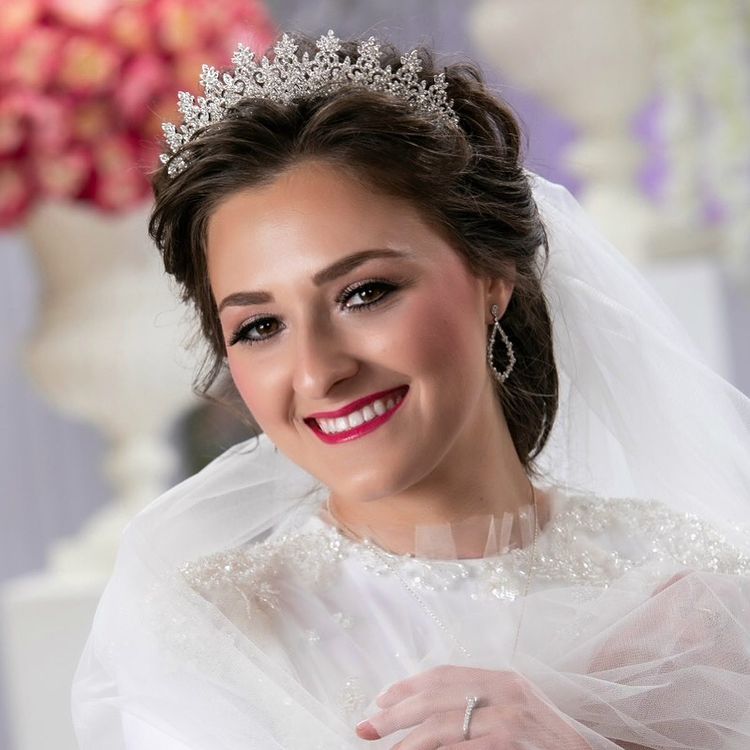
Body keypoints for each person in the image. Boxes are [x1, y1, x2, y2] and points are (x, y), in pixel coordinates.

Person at [71, 31, 750, 749]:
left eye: (365, 292)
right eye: (260, 326)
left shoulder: (687, 598)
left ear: (491, 278)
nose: (318, 371)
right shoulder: (216, 633)